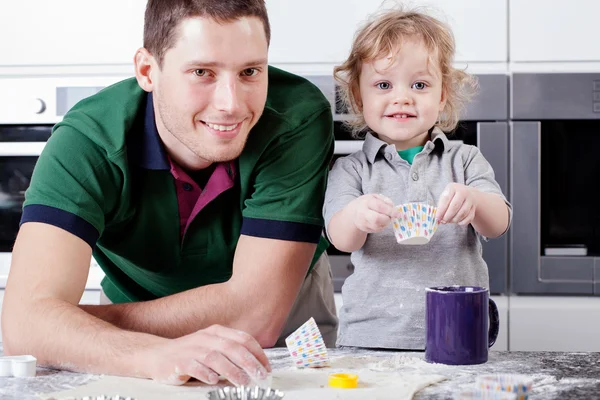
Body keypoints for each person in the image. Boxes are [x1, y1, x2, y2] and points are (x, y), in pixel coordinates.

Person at [1, 0, 338, 385]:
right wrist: (144, 351)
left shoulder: (297, 116)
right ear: (148, 70)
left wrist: (69, 325)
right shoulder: (87, 143)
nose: (231, 104)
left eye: (250, 71)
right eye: (201, 72)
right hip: (141, 341)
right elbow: (24, 327)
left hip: (285, 319)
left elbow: (256, 316)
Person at [323, 7, 512, 350]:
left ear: (441, 97)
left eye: (420, 84)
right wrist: (357, 215)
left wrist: (475, 201)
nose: (402, 97)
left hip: (460, 331)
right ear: (358, 96)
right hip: (371, 337)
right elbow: (340, 237)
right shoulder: (351, 169)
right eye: (383, 84)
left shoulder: (466, 160)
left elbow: (498, 223)